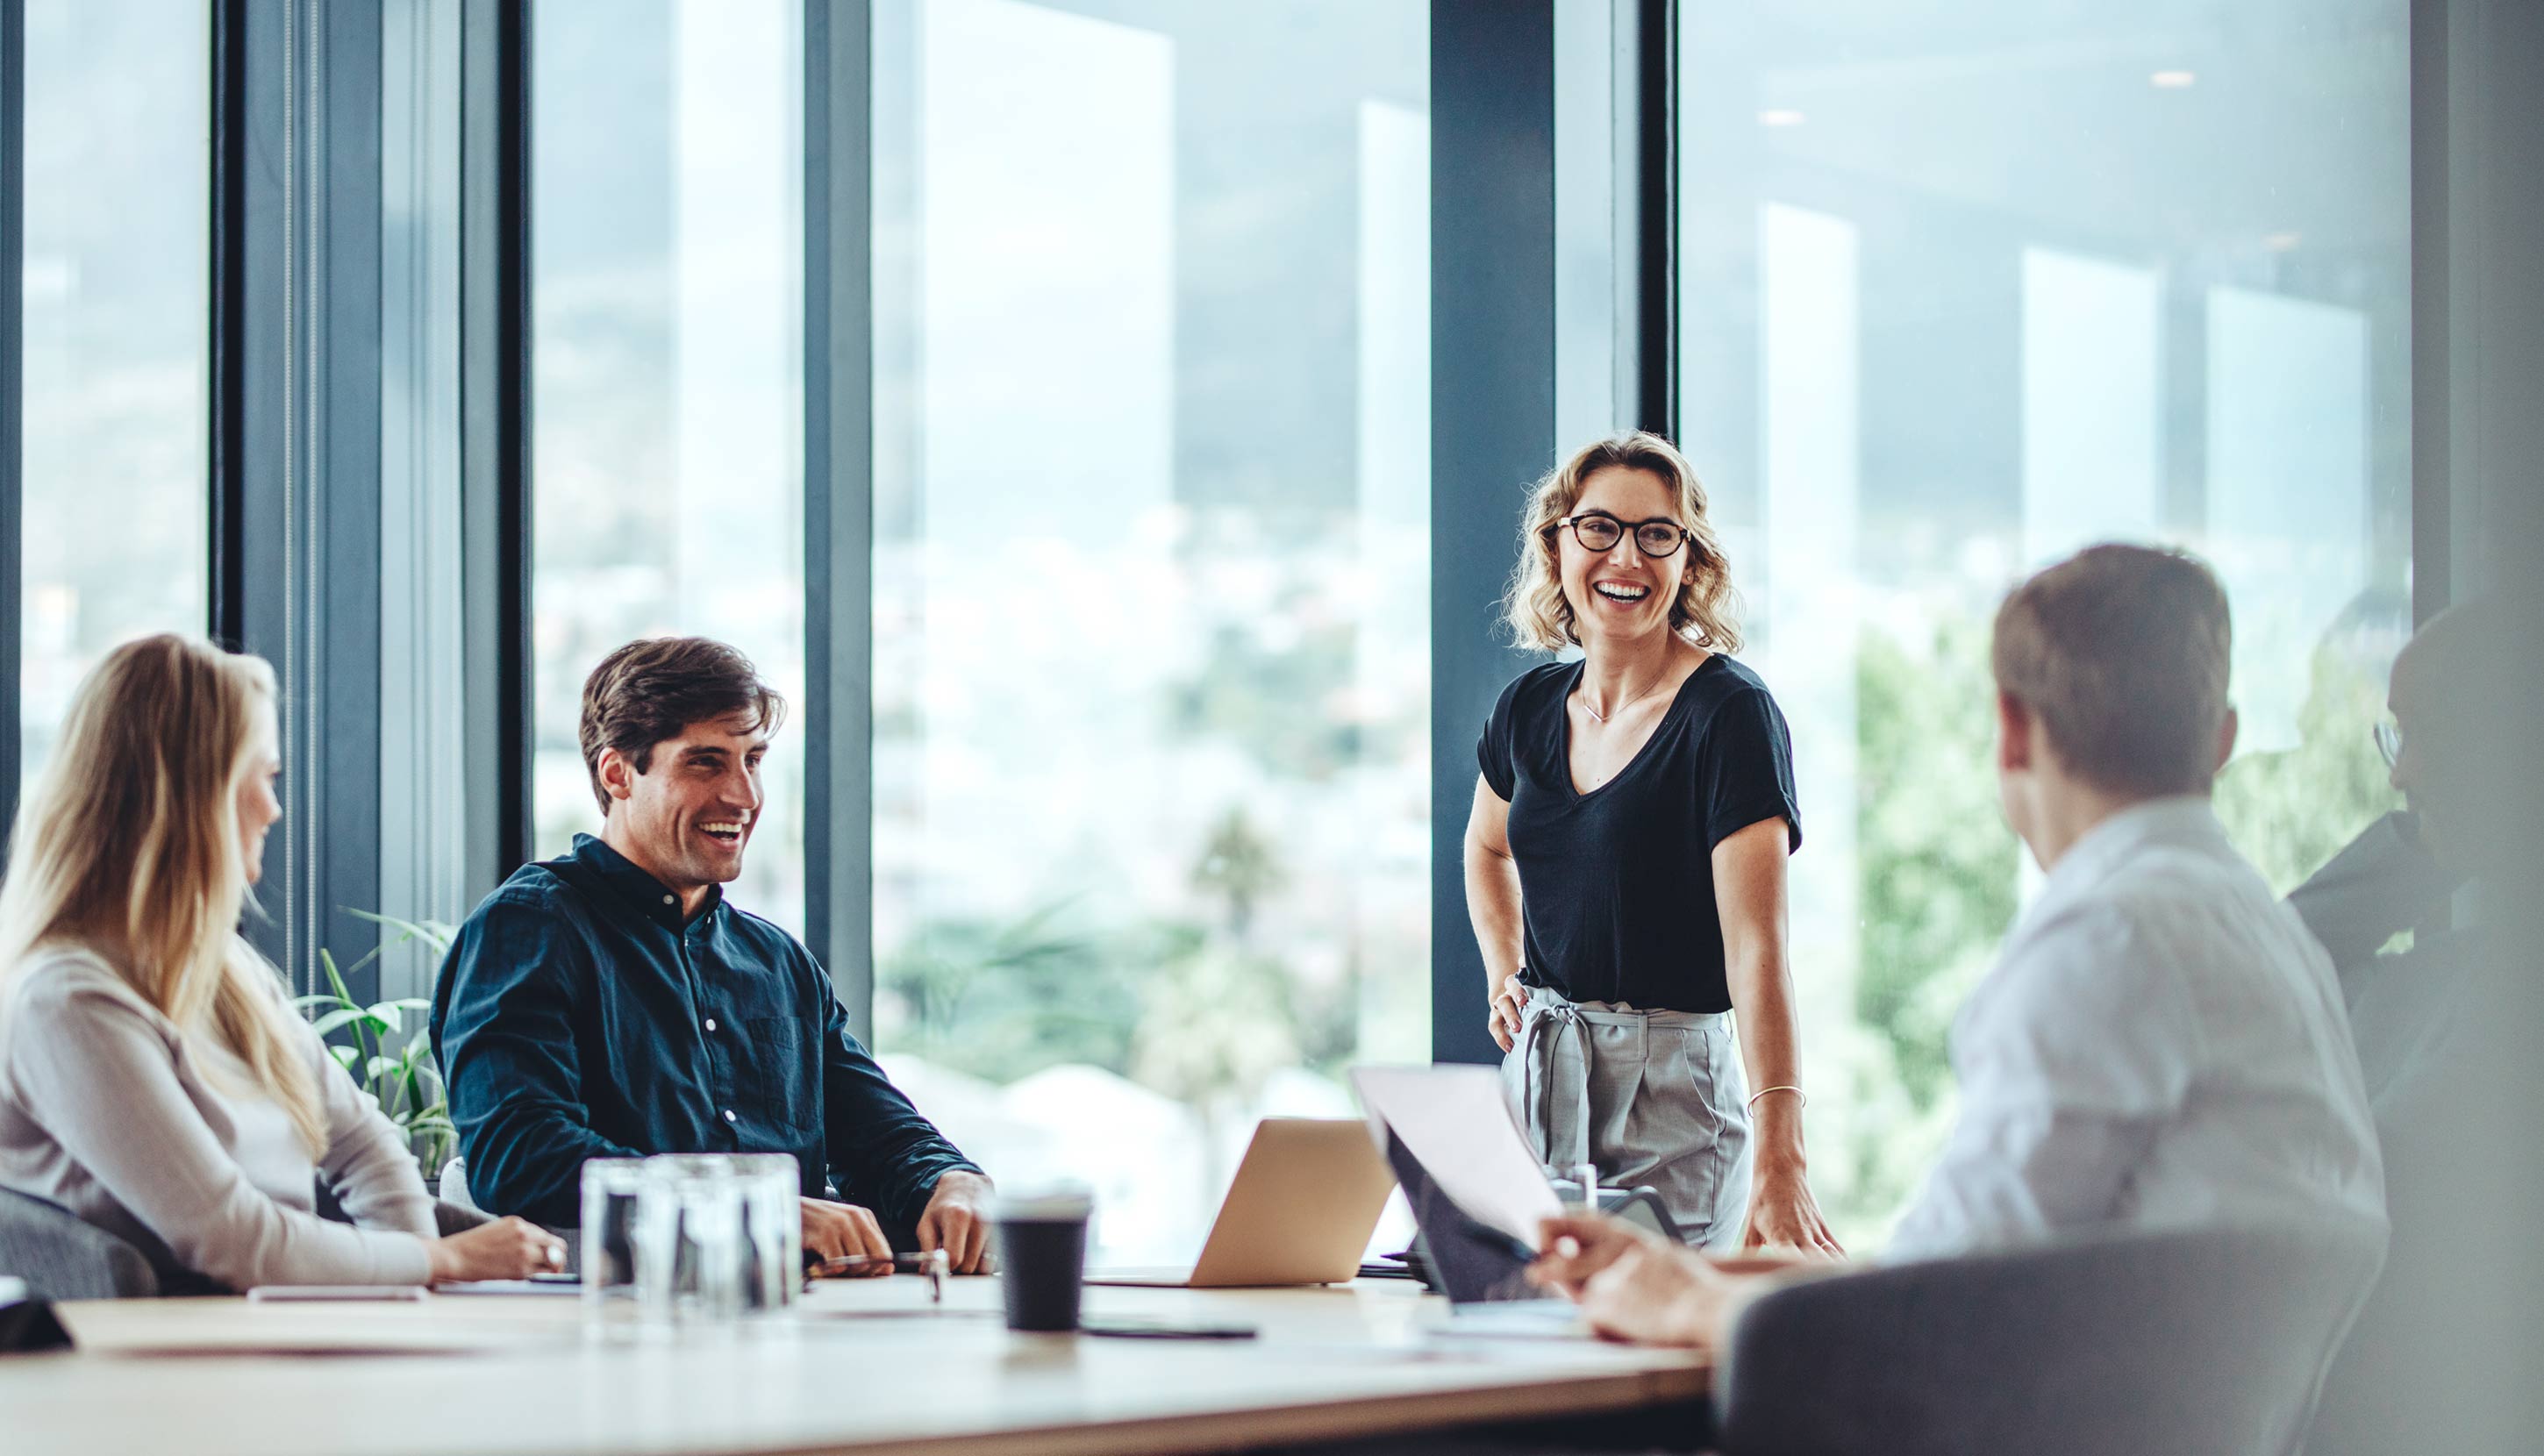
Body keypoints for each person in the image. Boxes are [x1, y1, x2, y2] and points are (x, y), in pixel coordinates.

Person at [1528, 544, 2385, 1350]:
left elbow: (1931, 1319)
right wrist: (1697, 1270)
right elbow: (1967, 1265)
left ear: (2009, 730)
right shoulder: (2267, 935)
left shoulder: (2105, 943)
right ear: (2221, 739)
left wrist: (1682, 1302)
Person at [0, 635, 559, 1290]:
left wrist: (413, 1284)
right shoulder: (67, 1004)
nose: (274, 807)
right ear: (189, 798)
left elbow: (361, 1142)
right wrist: (440, 1260)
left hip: (269, 1329)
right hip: (166, 1363)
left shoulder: (221, 969)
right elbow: (232, 1239)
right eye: (261, 778)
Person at [432, 637, 994, 1271]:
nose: (745, 796)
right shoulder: (531, 928)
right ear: (619, 774)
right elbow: (520, 1156)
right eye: (706, 763)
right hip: (606, 1327)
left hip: (796, 1323)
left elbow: (880, 1135)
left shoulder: (777, 961)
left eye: (753, 760)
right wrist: (752, 1207)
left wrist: (951, 1179)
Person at [1466, 431, 1837, 1253]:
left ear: (1688, 559)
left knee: (1653, 1361)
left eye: (1655, 533)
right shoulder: (1527, 709)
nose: (1624, 556)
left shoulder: (1729, 715)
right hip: (1538, 1076)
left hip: (1672, 1095)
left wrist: (1784, 1156)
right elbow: (1487, 849)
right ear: (1558, 544)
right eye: (1599, 527)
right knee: (1527, 1344)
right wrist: (1504, 971)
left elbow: (1759, 951)